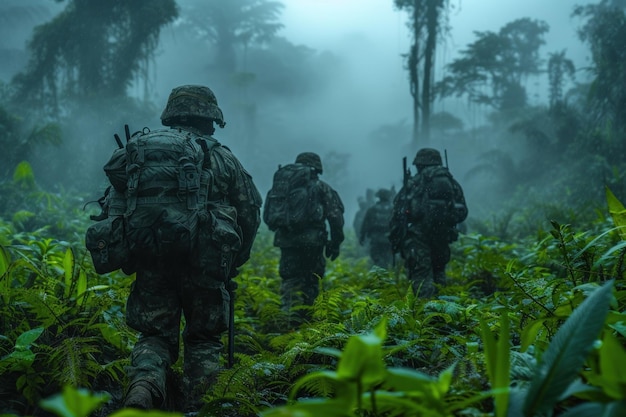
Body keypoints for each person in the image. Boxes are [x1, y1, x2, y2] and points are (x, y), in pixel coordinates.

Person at [99, 85, 262, 411]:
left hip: (151, 256)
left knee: (154, 336)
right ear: (210, 120)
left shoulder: (140, 153)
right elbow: (250, 213)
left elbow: (113, 207)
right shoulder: (221, 157)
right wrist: (234, 261)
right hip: (206, 261)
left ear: (171, 115)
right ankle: (201, 405)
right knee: (204, 340)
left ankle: (142, 390)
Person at [263, 152, 345, 321]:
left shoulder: (281, 188)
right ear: (317, 168)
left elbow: (268, 215)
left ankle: (289, 317)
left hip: (286, 240)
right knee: (312, 279)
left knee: (290, 278)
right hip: (313, 242)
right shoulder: (321, 187)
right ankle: (309, 320)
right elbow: (336, 217)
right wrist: (335, 243)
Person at [389, 148, 467, 297]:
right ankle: (442, 311)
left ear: (419, 164)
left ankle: (426, 313)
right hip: (443, 235)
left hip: (418, 236)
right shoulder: (451, 183)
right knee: (439, 274)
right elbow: (463, 212)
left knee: (421, 275)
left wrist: (396, 237)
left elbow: (398, 213)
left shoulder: (415, 182)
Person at [359, 188, 394, 268]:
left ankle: (380, 274)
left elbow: (365, 225)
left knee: (377, 259)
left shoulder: (372, 209)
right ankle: (385, 275)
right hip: (389, 240)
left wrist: (362, 237)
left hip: (376, 239)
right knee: (387, 260)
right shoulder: (393, 209)